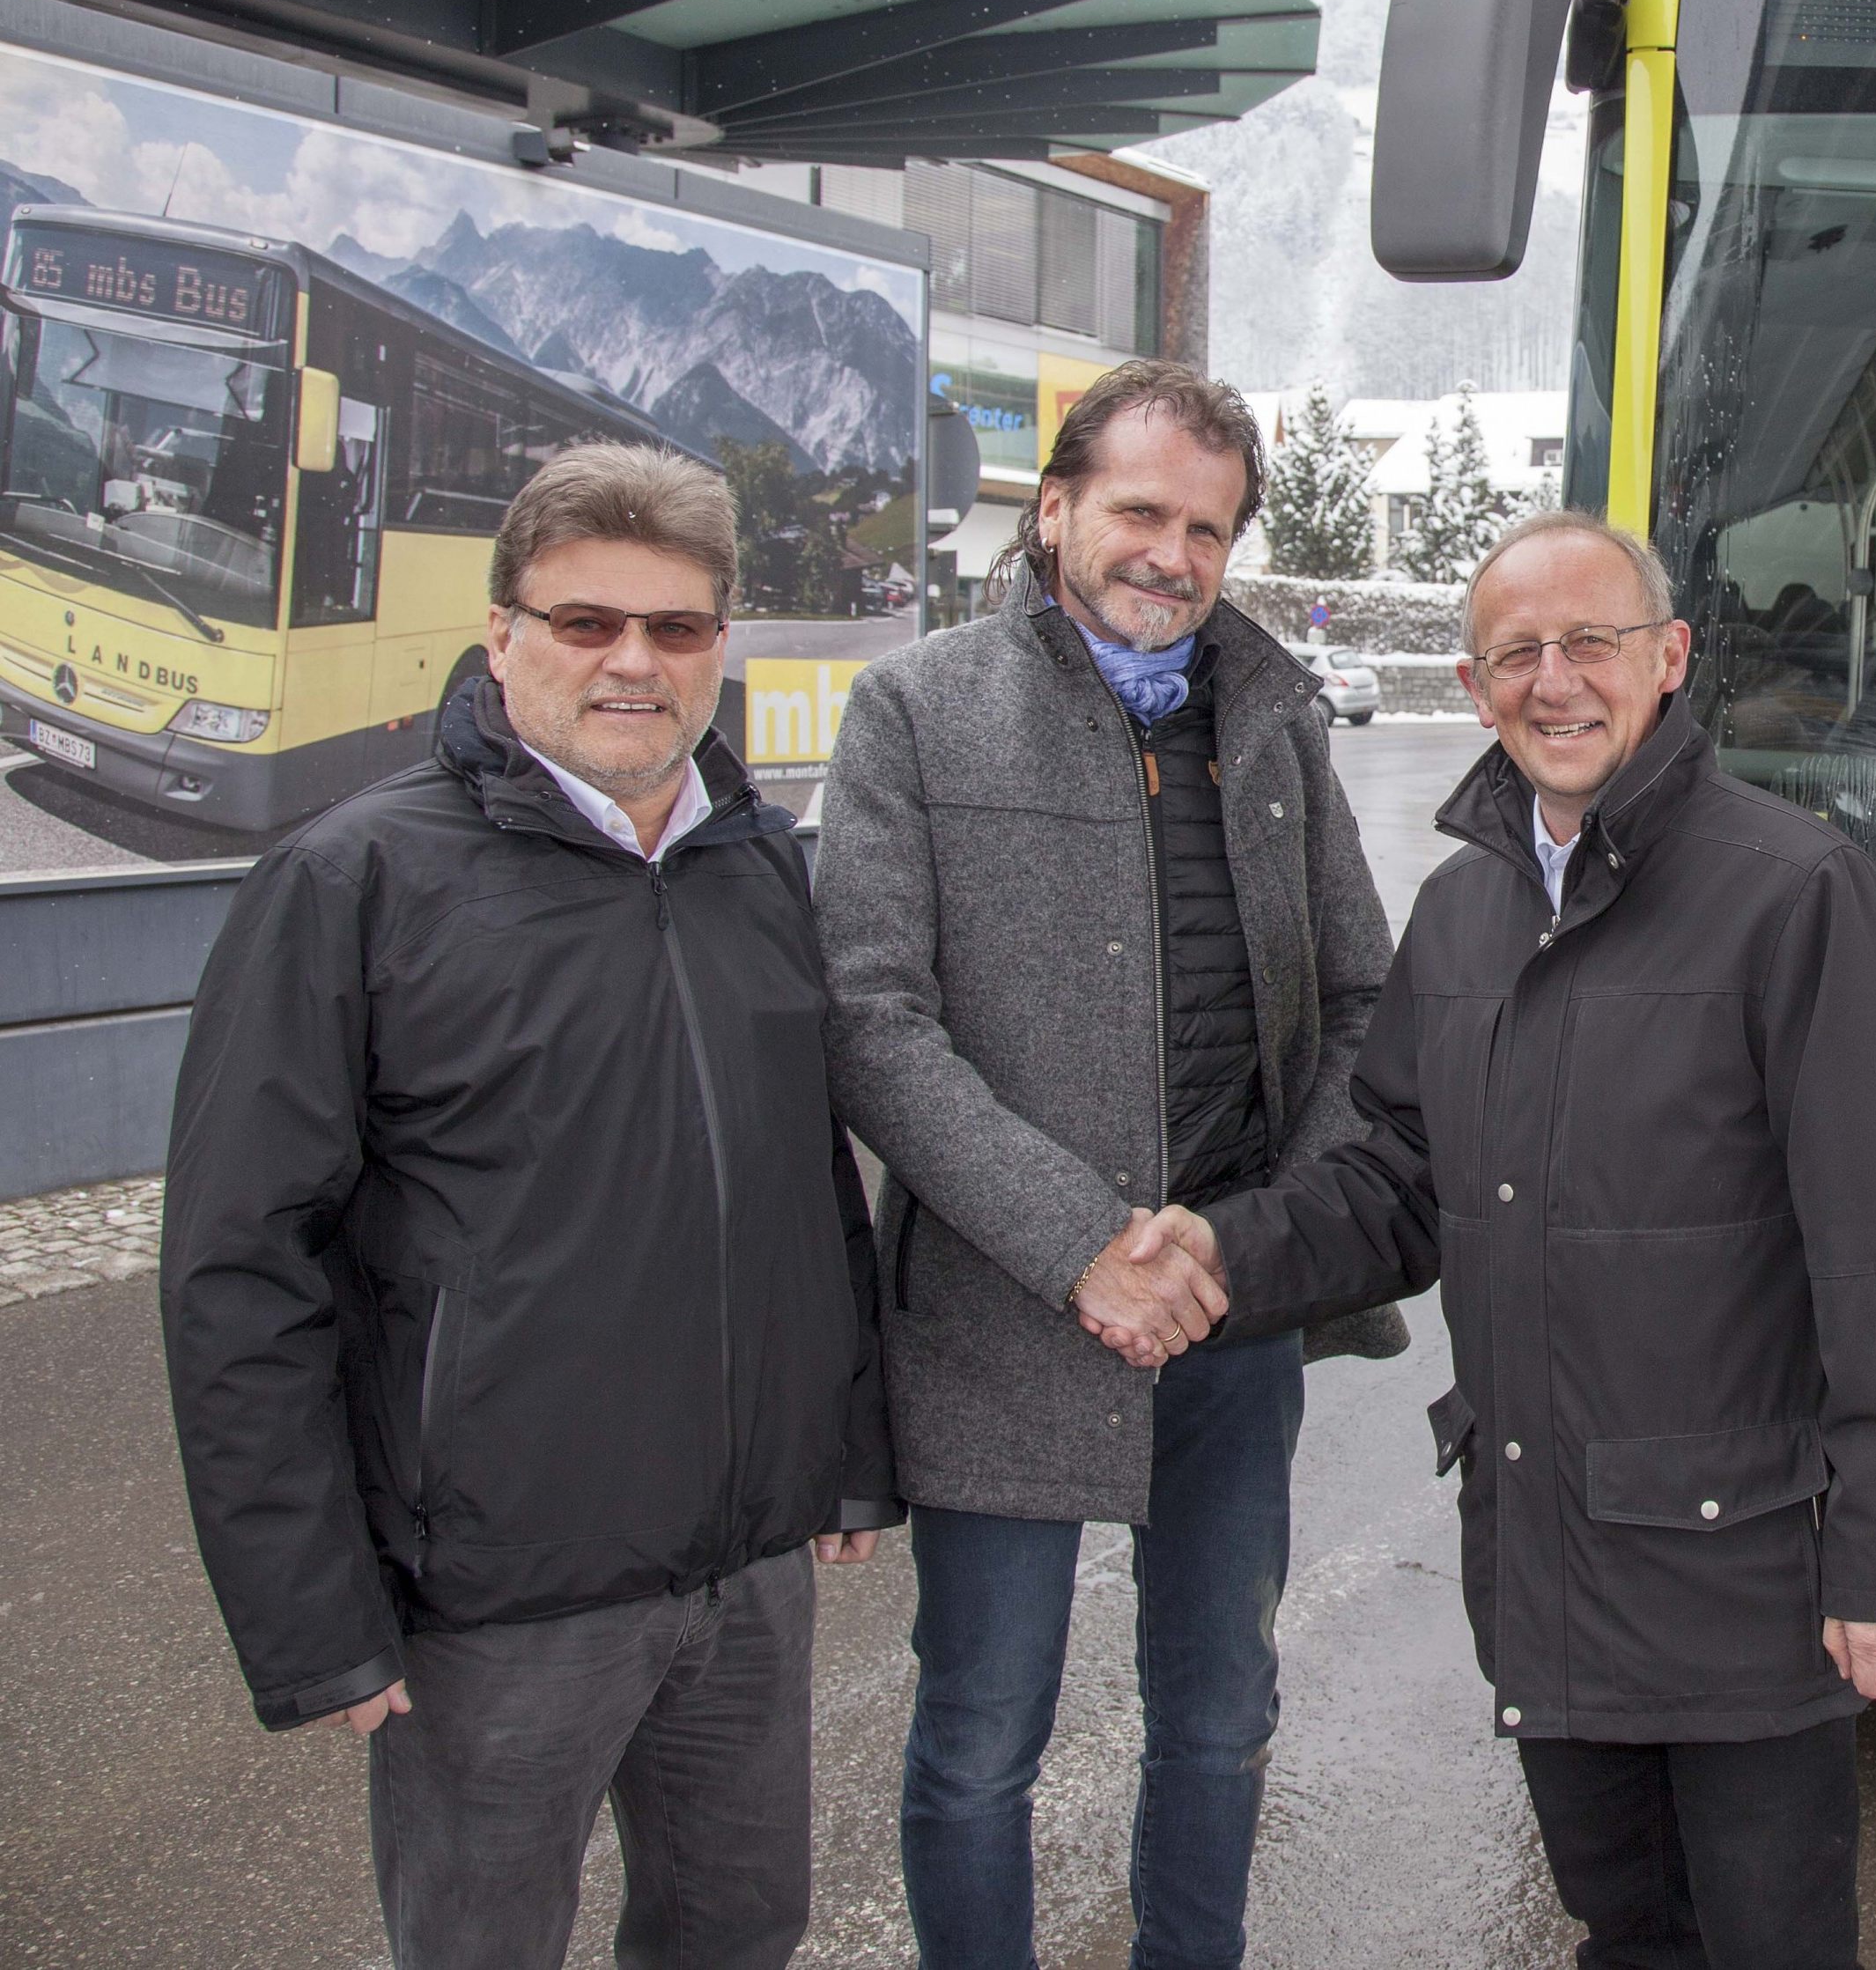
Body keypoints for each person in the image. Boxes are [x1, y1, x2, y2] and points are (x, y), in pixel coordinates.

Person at [1128, 508, 1876, 1970]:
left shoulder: (1793, 892)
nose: (1554, 681)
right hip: (1547, 1552)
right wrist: (1223, 1255)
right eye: (1516, 653)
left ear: (1668, 660)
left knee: (1765, 1943)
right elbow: (1397, 1178)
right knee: (1625, 1935)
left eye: (1590, 642)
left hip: (1741, 1576)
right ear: (1471, 689)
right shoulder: (1464, 910)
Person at [160, 442, 897, 1970]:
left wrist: (842, 1450)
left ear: (719, 647)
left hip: (743, 1576)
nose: (634, 661)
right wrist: (313, 1617)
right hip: (495, 1597)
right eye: (586, 623)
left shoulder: (756, 867)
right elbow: (241, 1272)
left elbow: (799, 1182)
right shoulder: (353, 881)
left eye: (677, 628)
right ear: (500, 636)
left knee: (738, 1934)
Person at [814, 358, 1400, 1970]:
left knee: (1218, 1716)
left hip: (1228, 1317)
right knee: (981, 1734)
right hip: (1007, 1319)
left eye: (1208, 529)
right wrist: (1081, 1243)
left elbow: (1361, 1002)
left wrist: (1248, 1246)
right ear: (1055, 508)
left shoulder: (1273, 715)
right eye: (1142, 511)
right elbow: (870, 1023)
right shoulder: (918, 709)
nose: (1174, 556)